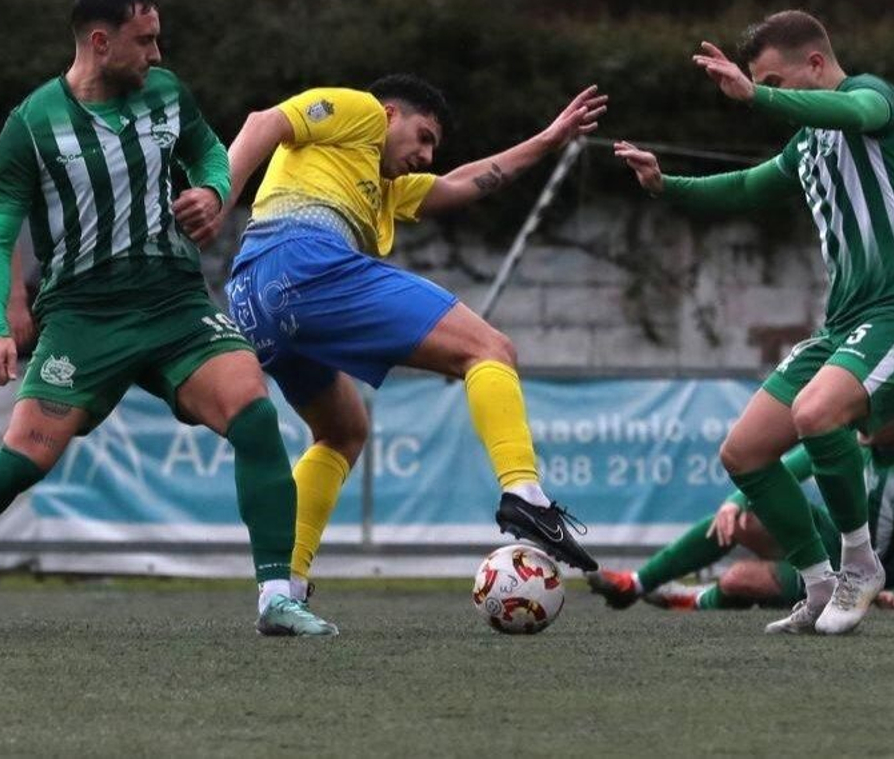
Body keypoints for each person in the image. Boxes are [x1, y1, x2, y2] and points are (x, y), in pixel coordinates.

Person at [0, 0, 338, 637]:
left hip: (175, 304)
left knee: (253, 413)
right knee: (20, 463)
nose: (158, 54)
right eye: (145, 40)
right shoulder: (33, 125)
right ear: (101, 43)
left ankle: (276, 595)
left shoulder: (167, 94)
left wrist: (214, 192)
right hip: (83, 319)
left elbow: (210, 152)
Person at [614, 9, 894, 634]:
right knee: (743, 453)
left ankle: (859, 563)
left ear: (816, 65)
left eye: (776, 78)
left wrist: (757, 95)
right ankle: (820, 581)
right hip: (846, 324)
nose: (767, 91)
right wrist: (667, 185)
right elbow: (746, 187)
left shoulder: (870, 96)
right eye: (760, 82)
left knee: (817, 414)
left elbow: (855, 116)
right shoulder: (807, 141)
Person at [207, 75, 608, 601]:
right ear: (391, 115)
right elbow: (264, 122)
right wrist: (220, 196)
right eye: (423, 137)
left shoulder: (380, 190)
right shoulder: (362, 112)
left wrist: (547, 140)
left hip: (252, 297)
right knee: (490, 349)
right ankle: (524, 493)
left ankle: (283, 587)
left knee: (343, 431)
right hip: (302, 262)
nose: (425, 154)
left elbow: (463, 184)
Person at [587, 402, 894, 613]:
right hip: (828, 536)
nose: (864, 417)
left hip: (857, 576)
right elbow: (789, 467)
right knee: (738, 520)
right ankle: (636, 583)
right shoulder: (856, 427)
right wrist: (735, 501)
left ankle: (694, 600)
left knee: (736, 579)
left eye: (878, 411)